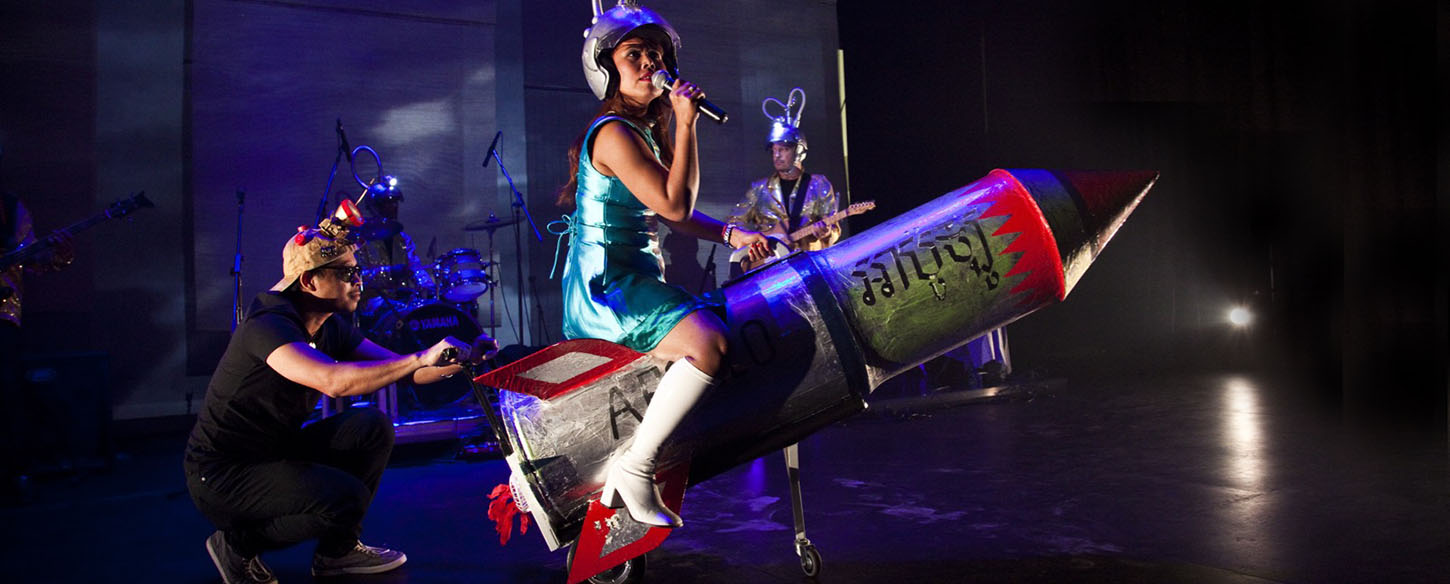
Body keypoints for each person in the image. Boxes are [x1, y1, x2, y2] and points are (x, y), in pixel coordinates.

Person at [183, 215, 497, 584]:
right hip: (224, 472)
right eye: (346, 273)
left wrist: (463, 361)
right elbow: (332, 381)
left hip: (276, 451)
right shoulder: (268, 326)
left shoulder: (329, 324)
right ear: (310, 280)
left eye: (357, 270)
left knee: (371, 427)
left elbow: (405, 371)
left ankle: (337, 553)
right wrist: (419, 358)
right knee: (344, 498)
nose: (358, 280)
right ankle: (236, 545)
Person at [555, 0, 769, 528]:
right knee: (708, 343)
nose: (651, 62)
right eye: (635, 54)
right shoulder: (612, 132)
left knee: (721, 333)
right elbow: (674, 206)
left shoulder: (640, 132)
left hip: (634, 278)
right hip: (608, 287)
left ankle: (643, 461)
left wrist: (731, 232)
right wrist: (686, 123)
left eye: (656, 52)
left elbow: (673, 212)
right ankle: (636, 466)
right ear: (606, 70)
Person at [727, 88, 839, 270]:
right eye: (774, 150)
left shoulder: (818, 184)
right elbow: (734, 225)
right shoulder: (759, 189)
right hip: (767, 269)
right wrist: (760, 240)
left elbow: (834, 229)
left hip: (807, 266)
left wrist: (825, 233)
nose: (777, 156)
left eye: (784, 150)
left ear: (799, 151)